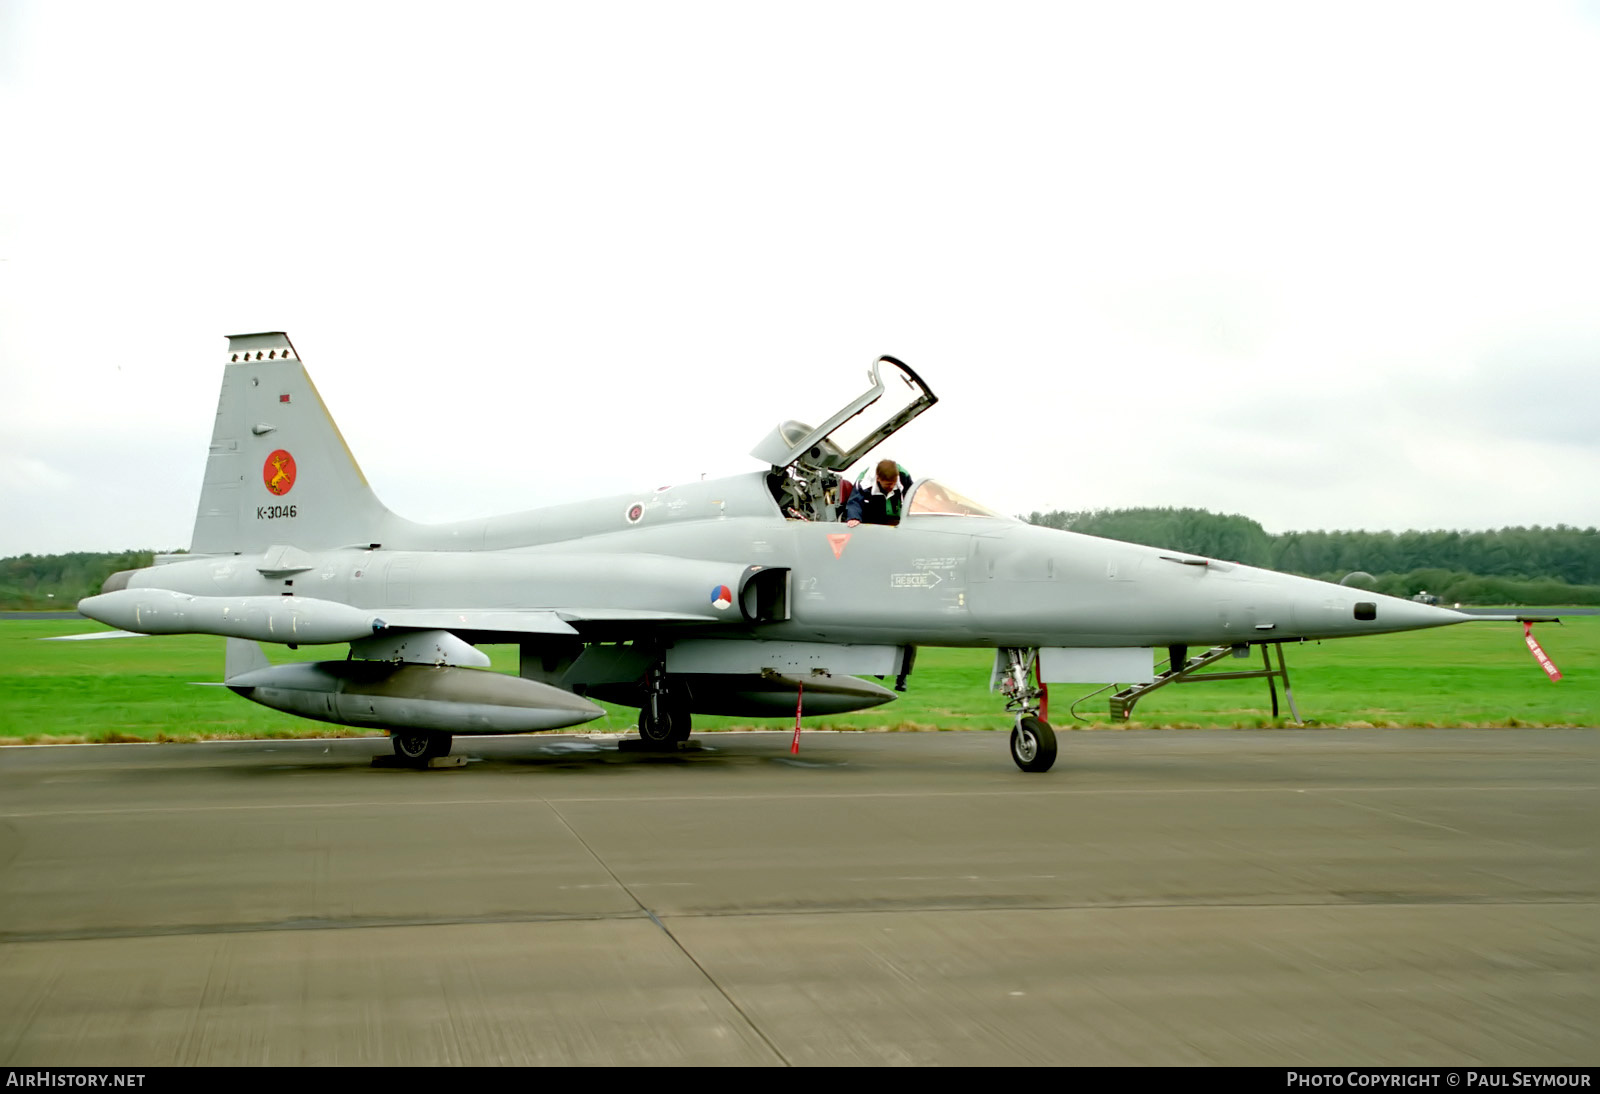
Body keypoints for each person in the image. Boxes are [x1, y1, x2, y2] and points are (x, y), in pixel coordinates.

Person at [845, 459, 912, 527]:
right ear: (878, 478)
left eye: (894, 483)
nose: (892, 486)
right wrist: (854, 517)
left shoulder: (904, 477)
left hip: (896, 517)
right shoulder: (864, 482)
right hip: (872, 518)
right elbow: (855, 502)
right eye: (888, 484)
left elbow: (914, 498)